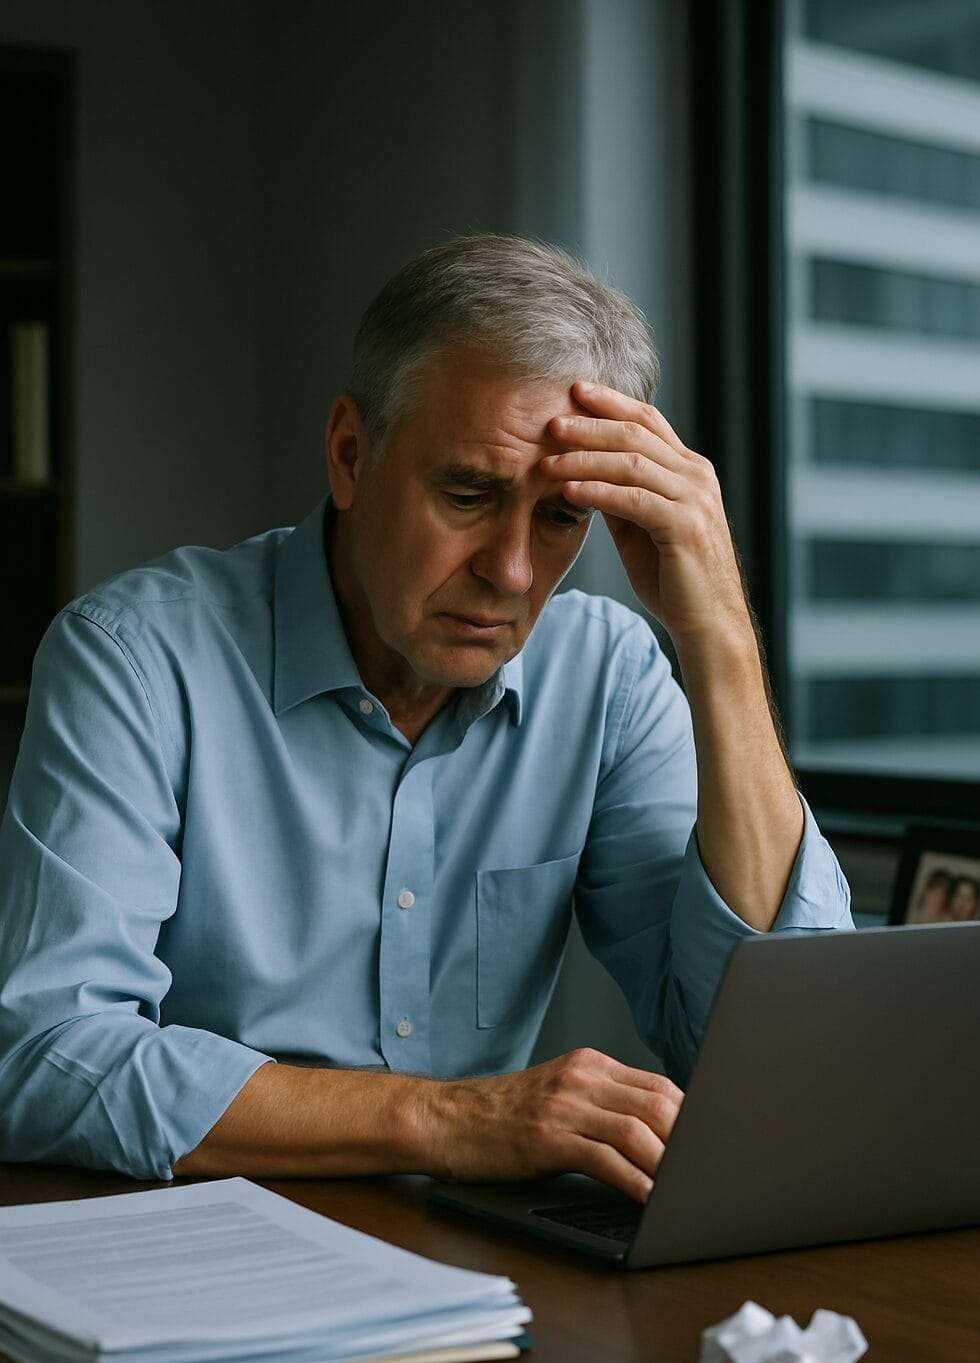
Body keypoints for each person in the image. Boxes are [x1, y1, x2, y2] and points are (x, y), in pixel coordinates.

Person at [0, 234, 852, 1202]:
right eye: (468, 494)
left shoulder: (607, 679)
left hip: (479, 1283)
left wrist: (721, 639)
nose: (513, 571)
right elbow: (47, 1057)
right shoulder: (134, 663)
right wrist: (451, 1120)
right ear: (350, 454)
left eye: (563, 516)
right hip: (191, 1270)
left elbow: (781, 1063)